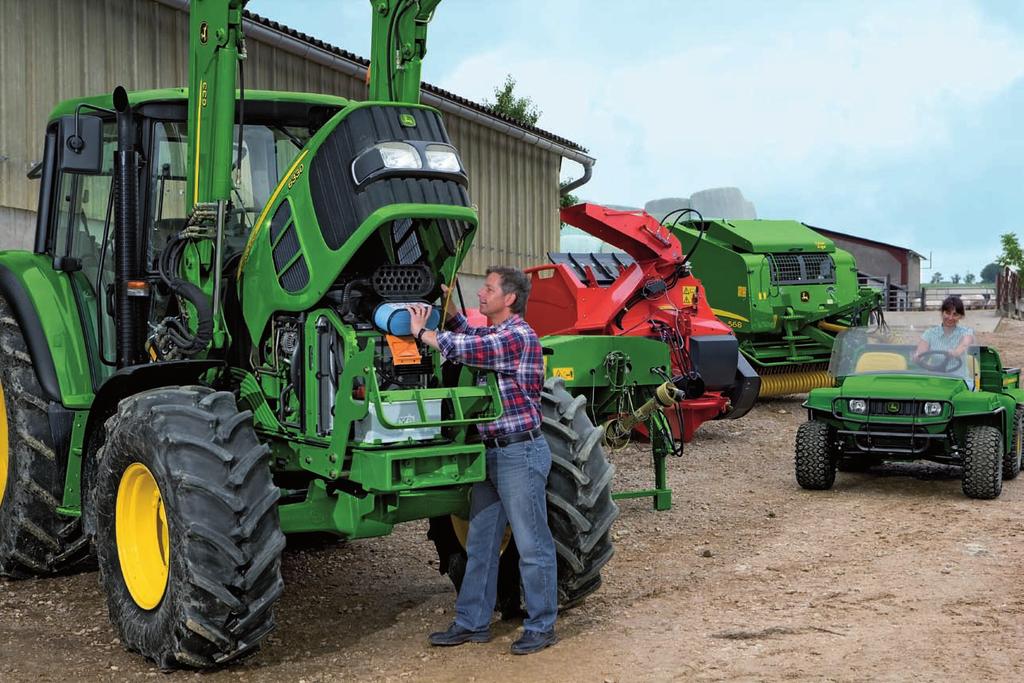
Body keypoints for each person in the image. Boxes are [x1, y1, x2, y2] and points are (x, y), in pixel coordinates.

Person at [406, 266, 559, 656]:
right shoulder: (496, 331)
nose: (481, 293)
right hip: (491, 452)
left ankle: (541, 626)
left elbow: (468, 349)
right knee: (481, 543)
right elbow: (471, 334)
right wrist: (451, 311)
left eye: (488, 289)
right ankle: (472, 622)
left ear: (509, 298)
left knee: (531, 543)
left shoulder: (517, 335)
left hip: (519, 452)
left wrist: (423, 333)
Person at [912, 295, 975, 370]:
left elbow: (964, 344)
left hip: (958, 378)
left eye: (955, 314)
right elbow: (921, 352)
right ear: (942, 313)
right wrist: (917, 357)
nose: (950, 318)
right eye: (948, 313)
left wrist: (956, 352)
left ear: (960, 316)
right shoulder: (930, 333)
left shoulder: (967, 332)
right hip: (936, 376)